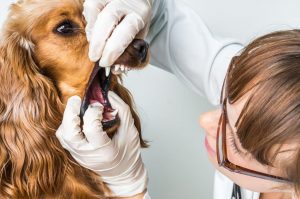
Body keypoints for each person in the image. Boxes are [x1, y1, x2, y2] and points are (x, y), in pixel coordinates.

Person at [55, 0, 300, 199]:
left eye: (235, 143)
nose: (204, 119)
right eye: (227, 97)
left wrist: (129, 187)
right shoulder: (272, 85)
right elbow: (164, 25)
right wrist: (136, 9)